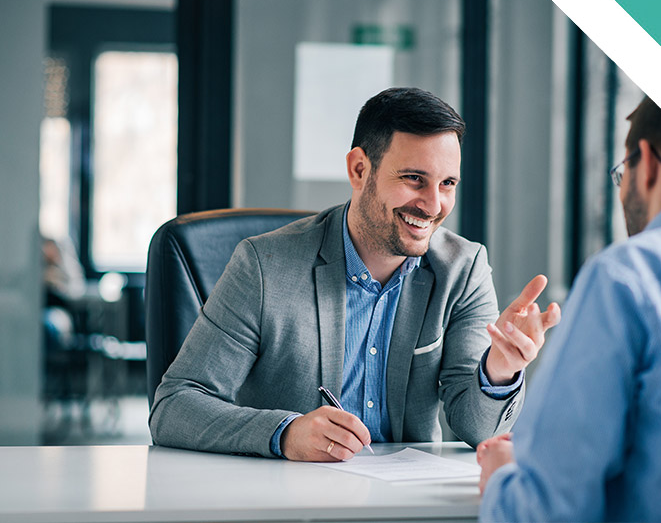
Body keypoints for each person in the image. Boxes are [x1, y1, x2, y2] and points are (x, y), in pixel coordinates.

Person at [149, 87, 560, 461]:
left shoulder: (462, 270)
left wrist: (500, 370)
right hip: (288, 501)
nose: (433, 205)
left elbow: (477, 428)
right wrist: (286, 433)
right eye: (414, 179)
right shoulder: (263, 266)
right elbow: (174, 406)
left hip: (405, 505)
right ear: (360, 170)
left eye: (447, 183)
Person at [478, 96, 661, 521]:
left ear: (649, 163)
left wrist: (504, 478)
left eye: (622, 174)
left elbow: (548, 510)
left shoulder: (631, 275)